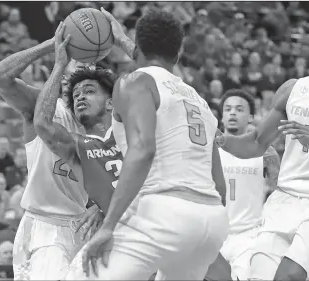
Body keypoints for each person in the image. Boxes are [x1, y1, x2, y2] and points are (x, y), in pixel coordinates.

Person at [65, 7, 228, 280]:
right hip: (211, 220)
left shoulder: (134, 82)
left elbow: (143, 151)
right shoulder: (199, 102)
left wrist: (109, 226)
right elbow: (219, 185)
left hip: (163, 214)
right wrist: (124, 41)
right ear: (178, 54)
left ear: (137, 46)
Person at [217, 16, 309, 280]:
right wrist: (222, 140)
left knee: (289, 275)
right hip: (282, 201)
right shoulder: (293, 89)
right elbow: (256, 143)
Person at [0, 24, 103, 280]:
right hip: (45, 224)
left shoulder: (102, 122)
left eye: (91, 67)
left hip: (81, 224)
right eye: (79, 64)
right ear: (64, 77)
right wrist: (51, 47)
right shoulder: (44, 108)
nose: (86, 68)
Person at [33, 22, 122, 215]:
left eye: (89, 91)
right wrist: (59, 65)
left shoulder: (129, 130)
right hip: (120, 226)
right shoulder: (77, 145)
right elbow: (42, 124)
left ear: (110, 102)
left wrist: (122, 41)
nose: (80, 96)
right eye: (75, 95)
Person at [217, 89, 280, 280]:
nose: (233, 113)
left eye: (239, 109)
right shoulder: (208, 151)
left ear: (251, 117)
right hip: (214, 233)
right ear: (221, 116)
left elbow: (281, 192)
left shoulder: (267, 153)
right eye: (228, 109)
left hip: (249, 236)